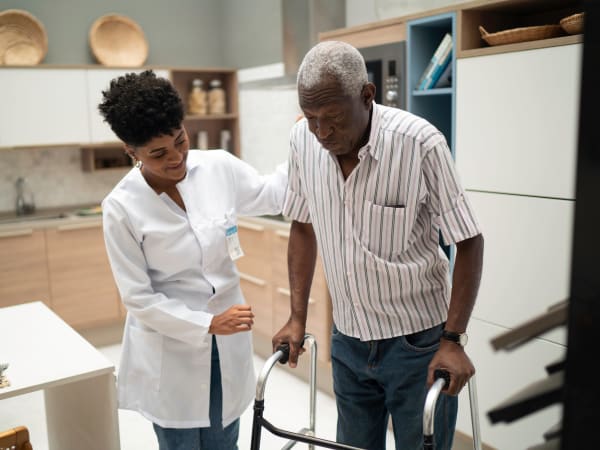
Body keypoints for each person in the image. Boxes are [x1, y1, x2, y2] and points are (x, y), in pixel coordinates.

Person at [272, 41, 484, 450]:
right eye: (312, 118)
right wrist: (297, 317)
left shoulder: (419, 144)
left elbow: (469, 240)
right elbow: (302, 225)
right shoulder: (302, 140)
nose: (322, 133)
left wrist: (453, 339)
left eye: (332, 119)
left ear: (367, 96)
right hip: (348, 341)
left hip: (418, 346)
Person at [98, 70, 287, 450]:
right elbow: (138, 298)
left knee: (224, 441)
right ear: (130, 151)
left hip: (227, 344)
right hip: (172, 351)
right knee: (181, 444)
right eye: (158, 153)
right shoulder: (121, 207)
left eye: (180, 140)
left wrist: (302, 144)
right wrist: (209, 322)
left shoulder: (217, 167)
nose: (177, 157)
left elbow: (272, 195)